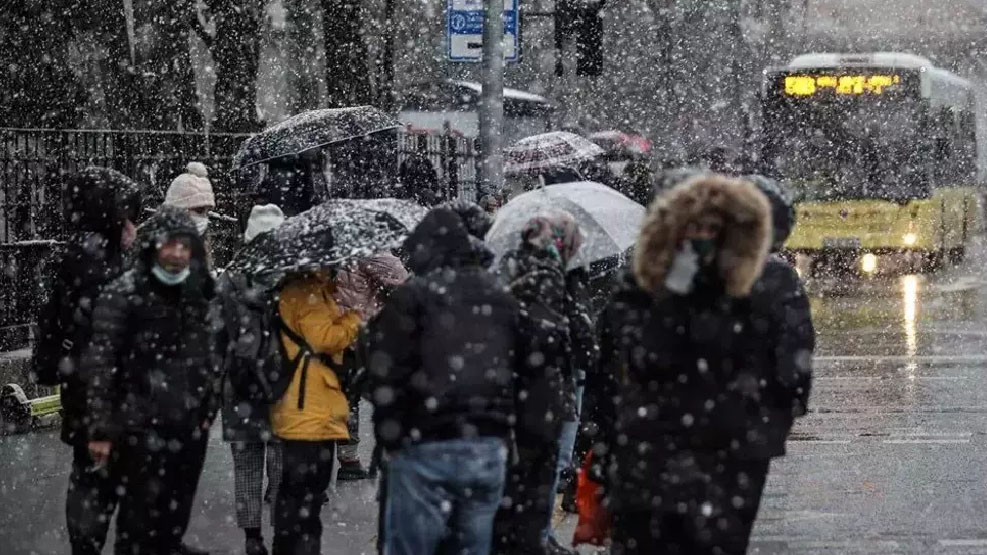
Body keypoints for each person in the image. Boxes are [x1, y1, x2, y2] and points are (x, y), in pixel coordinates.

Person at [585, 174, 775, 554]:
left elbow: (760, 373)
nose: (702, 238)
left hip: (715, 464)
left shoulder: (745, 298)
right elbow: (627, 363)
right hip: (647, 463)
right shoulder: (637, 291)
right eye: (693, 228)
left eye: (712, 229)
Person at [366, 205, 521, 555]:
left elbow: (386, 373)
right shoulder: (500, 296)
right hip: (487, 443)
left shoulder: (413, 297)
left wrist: (391, 435)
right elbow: (522, 367)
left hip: (426, 443)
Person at [83, 205, 219, 555]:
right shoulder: (124, 294)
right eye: (169, 244)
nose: (177, 253)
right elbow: (102, 363)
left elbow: (212, 354)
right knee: (138, 521)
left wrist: (207, 407)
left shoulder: (198, 292)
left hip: (187, 426)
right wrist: (102, 429)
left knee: (175, 513)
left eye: (184, 245)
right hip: (139, 429)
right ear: (154, 246)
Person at [31, 167, 140, 555]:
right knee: (105, 478)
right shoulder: (102, 264)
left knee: (89, 476)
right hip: (103, 393)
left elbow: (49, 325)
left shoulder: (70, 255)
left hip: (79, 385)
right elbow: (104, 343)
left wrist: (49, 365)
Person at [492, 212, 586, 555]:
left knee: (516, 470)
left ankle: (514, 537)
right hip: (549, 391)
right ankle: (537, 537)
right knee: (547, 468)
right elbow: (582, 341)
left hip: (510, 391)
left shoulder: (507, 272)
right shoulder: (556, 279)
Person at [270, 268, 362, 555]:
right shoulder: (306, 292)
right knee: (302, 494)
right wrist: (354, 318)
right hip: (305, 406)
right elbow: (324, 338)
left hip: (313, 404)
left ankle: (298, 548)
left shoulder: (316, 290)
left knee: (303, 496)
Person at [217, 203, 287, 555]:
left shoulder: (229, 278)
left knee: (245, 462)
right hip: (281, 380)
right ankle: (280, 529)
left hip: (240, 381)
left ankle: (252, 536)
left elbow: (215, 333)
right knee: (280, 458)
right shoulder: (291, 277)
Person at [745, 175, 815, 460]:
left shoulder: (685, 268)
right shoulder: (778, 278)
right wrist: (792, 402)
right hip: (753, 418)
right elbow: (796, 345)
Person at [332, 252, 409, 480]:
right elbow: (404, 286)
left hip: (339, 335)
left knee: (347, 400)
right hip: (369, 336)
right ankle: (388, 453)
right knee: (384, 396)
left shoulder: (332, 254)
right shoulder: (374, 253)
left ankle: (348, 458)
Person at [163, 162, 215, 236]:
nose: (204, 218)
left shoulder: (202, 240)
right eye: (199, 210)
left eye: (207, 212)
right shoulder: (153, 240)